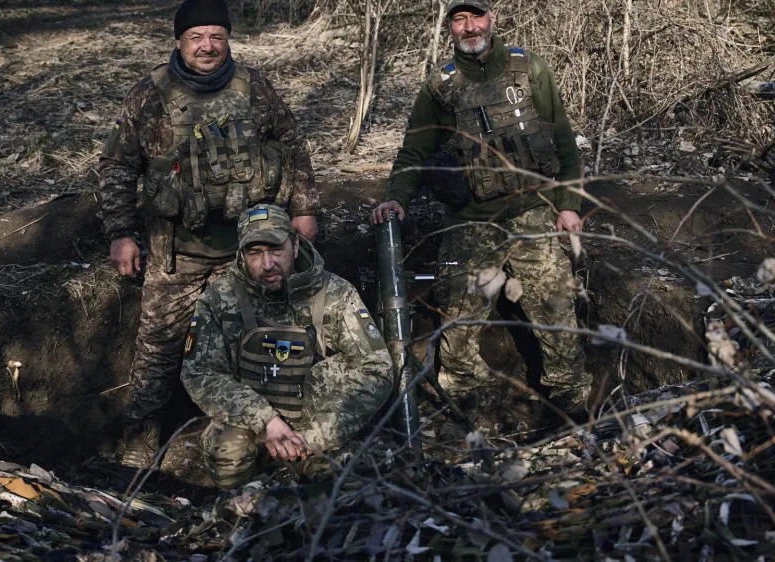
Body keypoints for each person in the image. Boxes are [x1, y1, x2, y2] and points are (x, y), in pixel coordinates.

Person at [98, 0, 320, 468]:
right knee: (159, 348)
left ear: (228, 39)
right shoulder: (149, 94)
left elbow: (291, 145)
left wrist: (303, 210)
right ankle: (139, 451)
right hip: (176, 251)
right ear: (178, 41)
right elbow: (117, 165)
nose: (207, 46)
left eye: (216, 36)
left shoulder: (254, 86)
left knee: (262, 342)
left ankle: (266, 445)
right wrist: (121, 233)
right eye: (196, 36)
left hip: (250, 249)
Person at [370, 0, 589, 414]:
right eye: (459, 19)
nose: (470, 28)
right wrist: (395, 198)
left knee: (559, 315)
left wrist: (568, 206)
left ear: (492, 19)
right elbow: (414, 151)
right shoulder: (440, 86)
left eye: (477, 17)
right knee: (457, 332)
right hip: (469, 220)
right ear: (450, 27)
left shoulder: (530, 70)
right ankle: (468, 410)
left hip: (532, 213)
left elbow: (563, 143)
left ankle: (572, 406)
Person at [182, 204, 393, 488]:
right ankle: (248, 512)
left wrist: (315, 438)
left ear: (295, 246)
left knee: (350, 477)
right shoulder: (219, 299)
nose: (267, 264)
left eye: (276, 250)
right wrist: (265, 420)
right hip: (254, 427)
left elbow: (377, 368)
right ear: (242, 256)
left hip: (318, 426)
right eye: (255, 253)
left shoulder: (336, 293)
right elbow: (199, 373)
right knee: (227, 451)